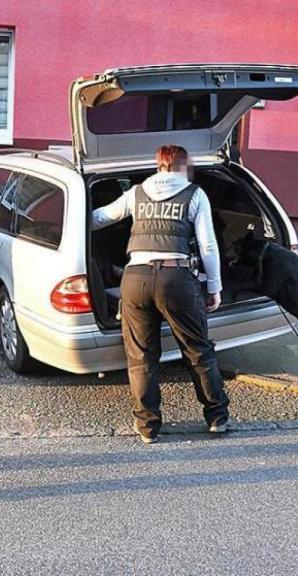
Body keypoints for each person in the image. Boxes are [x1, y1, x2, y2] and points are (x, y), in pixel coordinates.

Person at [92, 145, 230, 444]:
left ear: (158, 165)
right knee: (197, 350)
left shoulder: (136, 193)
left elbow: (100, 218)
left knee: (141, 356)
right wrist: (214, 287)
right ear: (183, 166)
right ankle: (217, 417)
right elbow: (208, 245)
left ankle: (147, 427)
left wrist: (62, 222)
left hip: (135, 279)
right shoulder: (195, 194)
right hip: (176, 278)